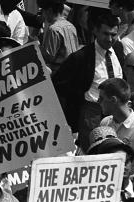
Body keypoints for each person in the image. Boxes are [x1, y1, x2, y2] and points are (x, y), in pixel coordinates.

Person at [54, 9, 126, 149]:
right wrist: (78, 100)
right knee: (92, 150)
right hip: (92, 112)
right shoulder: (80, 57)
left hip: (116, 111)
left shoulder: (117, 48)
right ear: (95, 31)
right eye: (105, 34)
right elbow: (59, 83)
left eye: (113, 35)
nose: (110, 39)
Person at [36, 0, 81, 71]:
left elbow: (49, 57)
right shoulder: (71, 26)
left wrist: (37, 46)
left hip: (58, 74)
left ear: (49, 11)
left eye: (42, 10)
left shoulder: (54, 29)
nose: (41, 14)